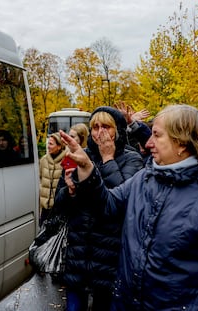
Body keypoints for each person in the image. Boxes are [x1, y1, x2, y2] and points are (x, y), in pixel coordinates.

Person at [58, 104, 198, 310]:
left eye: (156, 135)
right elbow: (108, 205)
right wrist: (88, 170)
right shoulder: (144, 178)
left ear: (182, 142)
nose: (149, 143)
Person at [54, 106, 144, 311]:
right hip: (79, 250)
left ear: (118, 130)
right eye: (95, 127)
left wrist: (108, 159)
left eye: (106, 127)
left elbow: (123, 201)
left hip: (109, 253)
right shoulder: (80, 155)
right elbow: (58, 204)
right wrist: (70, 192)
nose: (99, 133)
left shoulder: (133, 159)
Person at [39, 132, 66, 225]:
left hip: (59, 209)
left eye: (51, 144)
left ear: (59, 146)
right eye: (48, 143)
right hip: (45, 209)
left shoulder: (67, 160)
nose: (48, 146)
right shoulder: (43, 160)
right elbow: (40, 179)